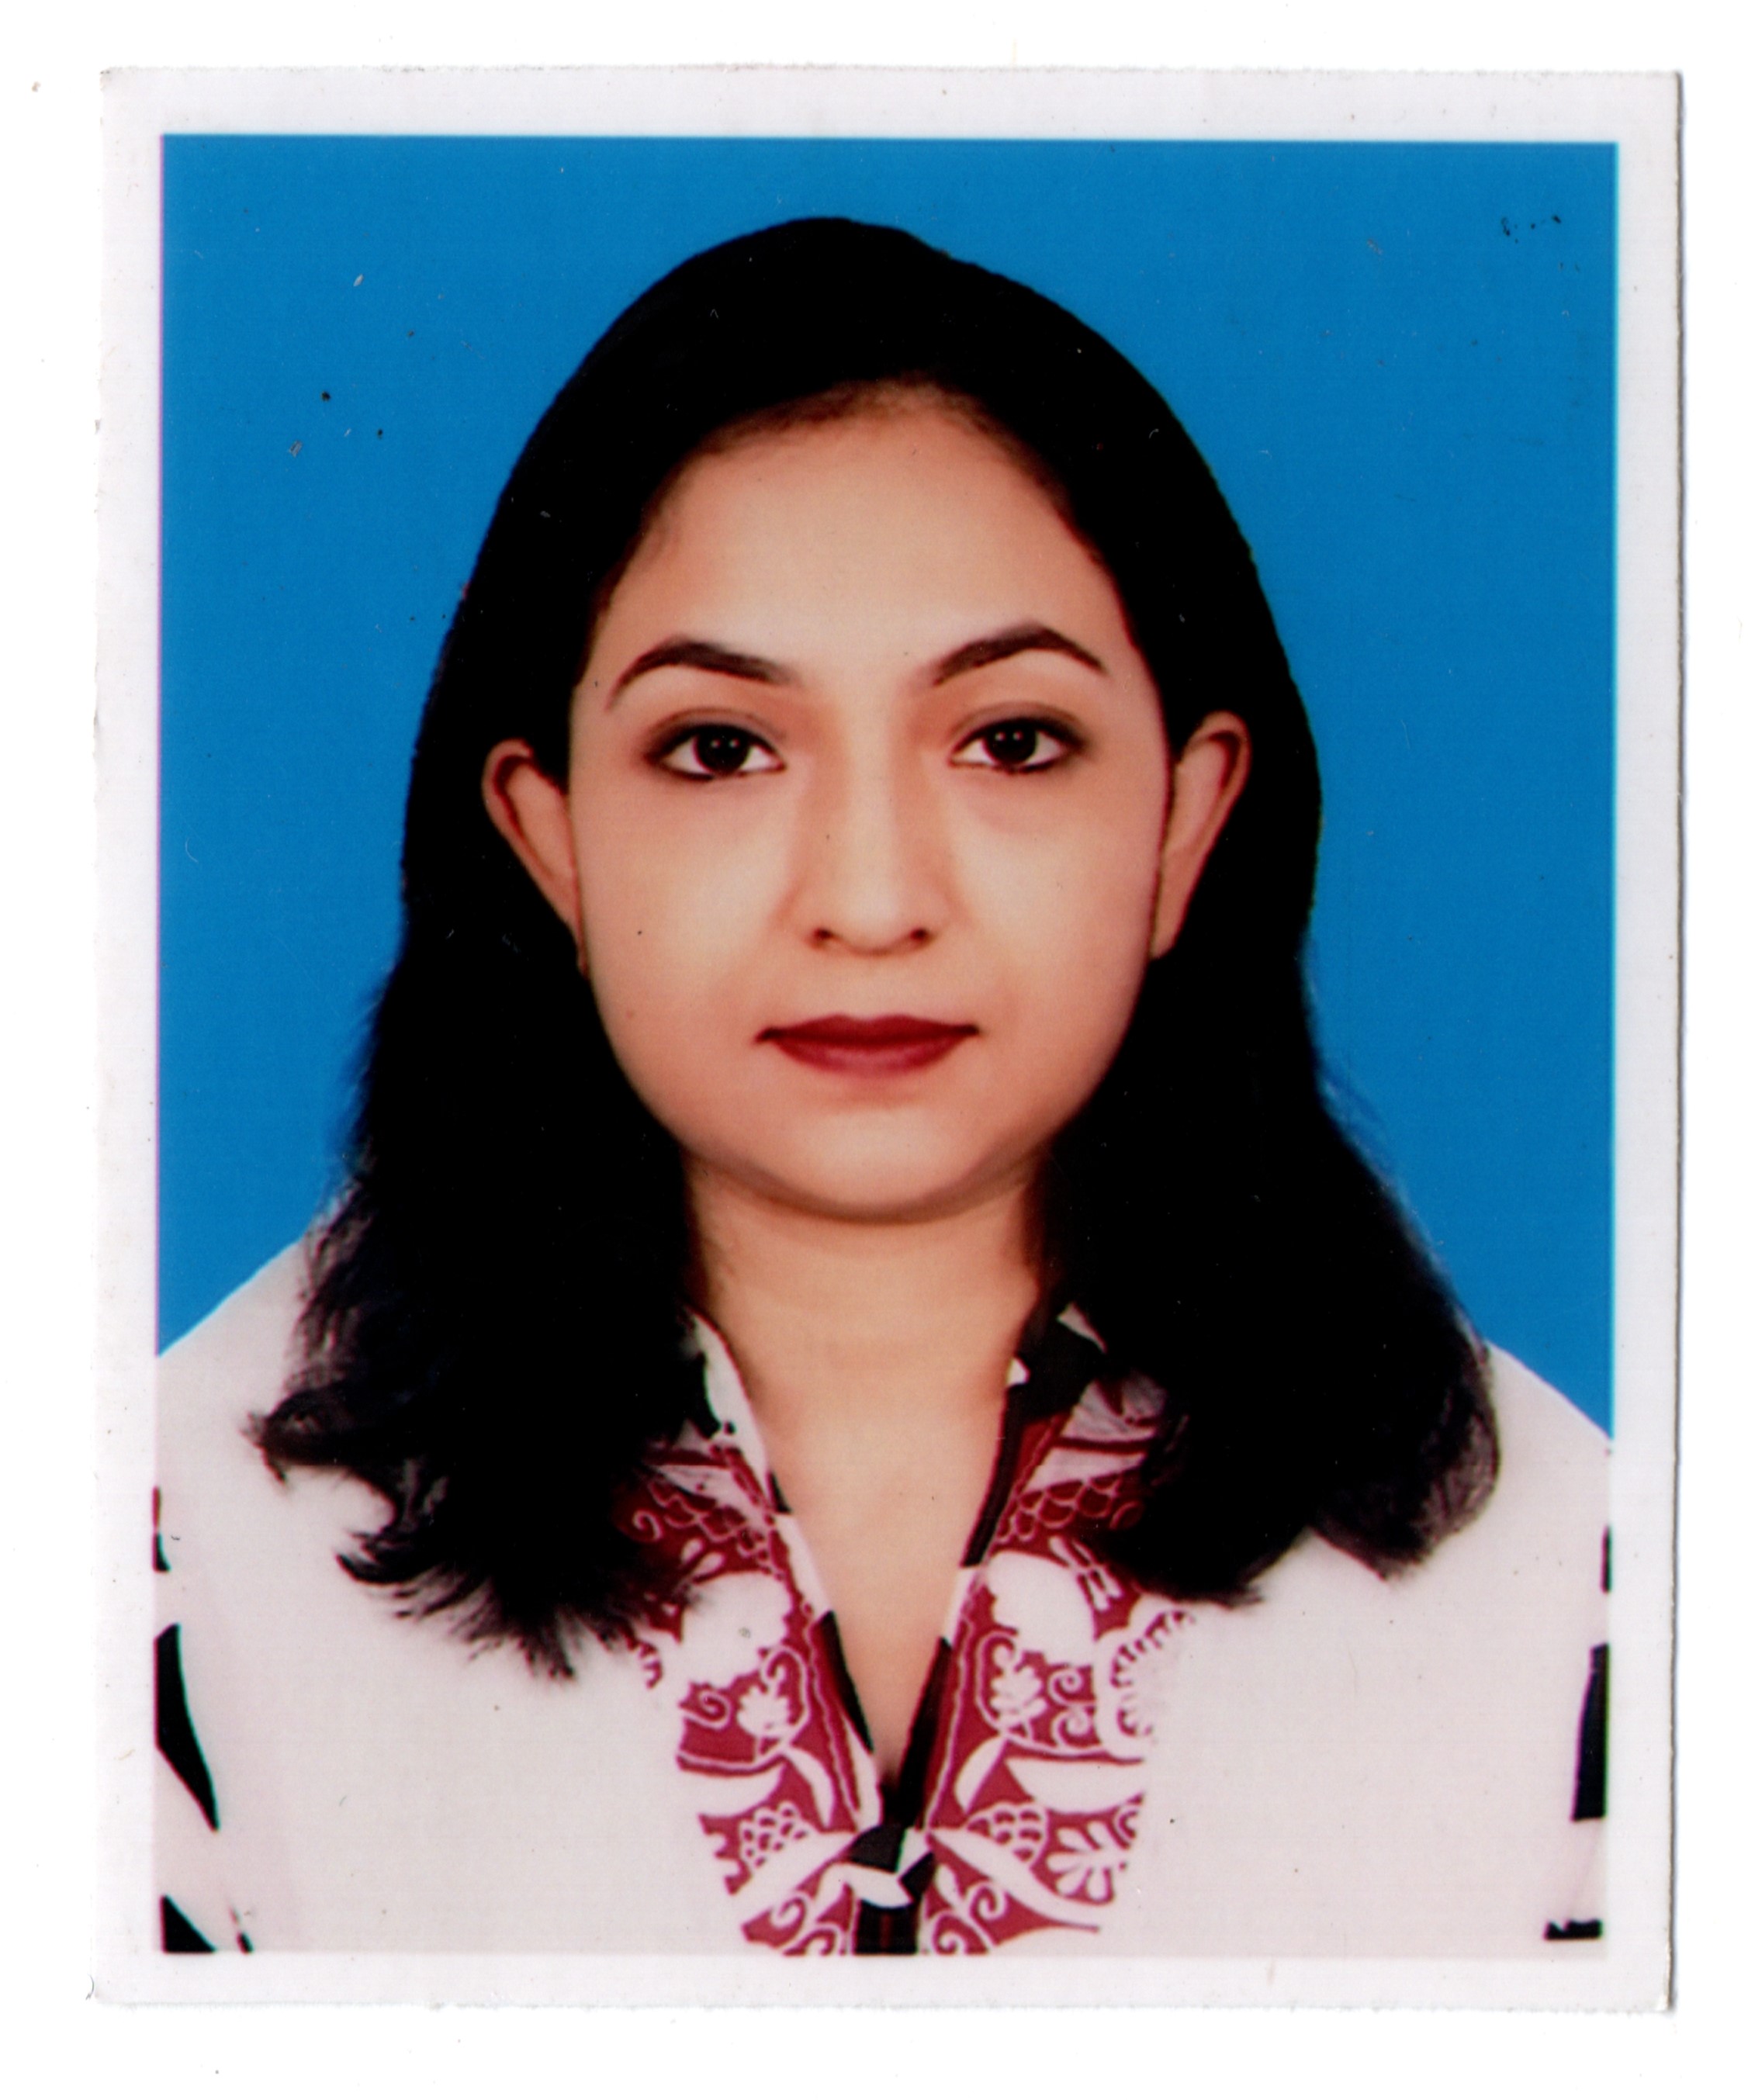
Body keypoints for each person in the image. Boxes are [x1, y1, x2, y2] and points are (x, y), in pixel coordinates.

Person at [154, 217, 1608, 1960]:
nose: (866, 897)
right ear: (551, 840)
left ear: (1184, 824)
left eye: (1010, 741)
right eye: (719, 748)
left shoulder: (1569, 1577)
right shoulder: (173, 1547)